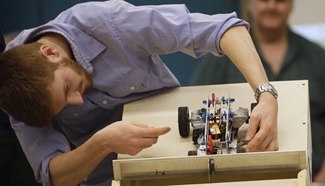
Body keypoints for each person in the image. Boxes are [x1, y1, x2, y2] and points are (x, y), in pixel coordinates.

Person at [0, 0, 278, 185]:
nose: (78, 100)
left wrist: (265, 94)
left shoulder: (105, 22)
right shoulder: (17, 92)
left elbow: (223, 28)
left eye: (67, 87)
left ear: (50, 53)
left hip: (178, 155)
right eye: (64, 106)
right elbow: (52, 175)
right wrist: (101, 143)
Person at [191, 0, 325, 182]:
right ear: (249, 4)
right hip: (238, 179)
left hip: (311, 178)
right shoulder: (220, 59)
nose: (271, 6)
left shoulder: (318, 57)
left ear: (291, 4)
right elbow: (199, 112)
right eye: (263, 0)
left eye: (280, 0)